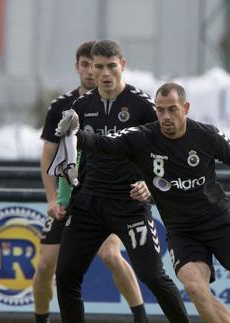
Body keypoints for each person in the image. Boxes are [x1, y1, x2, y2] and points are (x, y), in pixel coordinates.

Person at [55, 82, 230, 323]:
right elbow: (101, 142)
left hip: (218, 222)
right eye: (160, 110)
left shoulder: (206, 135)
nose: (165, 116)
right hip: (182, 231)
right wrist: (74, 132)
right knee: (195, 288)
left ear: (186, 108)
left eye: (172, 110)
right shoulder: (143, 137)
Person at [53, 40, 189, 323]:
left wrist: (150, 184)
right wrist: (64, 197)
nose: (104, 73)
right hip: (88, 204)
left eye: (111, 66)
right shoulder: (81, 105)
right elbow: (70, 156)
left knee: (153, 275)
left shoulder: (142, 105)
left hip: (129, 205)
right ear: (90, 67)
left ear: (122, 66)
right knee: (66, 275)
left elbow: (169, 148)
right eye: (98, 66)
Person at [36, 41, 148, 323]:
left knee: (110, 254)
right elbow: (50, 155)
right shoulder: (63, 106)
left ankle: (140, 316)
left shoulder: (130, 103)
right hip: (69, 195)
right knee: (46, 264)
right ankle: (40, 319)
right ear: (78, 67)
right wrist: (53, 199)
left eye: (97, 65)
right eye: (86, 65)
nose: (92, 71)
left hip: (103, 196)